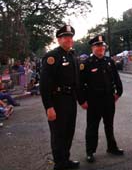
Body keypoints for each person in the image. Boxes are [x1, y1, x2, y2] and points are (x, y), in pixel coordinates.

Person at [40, 25, 82, 170]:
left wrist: (81, 99)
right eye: (65, 37)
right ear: (59, 39)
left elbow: (77, 81)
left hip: (70, 99)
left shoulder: (72, 56)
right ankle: (59, 164)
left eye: (70, 37)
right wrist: (49, 107)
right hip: (57, 101)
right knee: (58, 134)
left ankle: (65, 159)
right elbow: (44, 85)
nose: (69, 39)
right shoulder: (52, 57)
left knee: (69, 132)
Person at [79, 35, 123, 163]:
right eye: (98, 46)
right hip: (94, 101)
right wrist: (82, 101)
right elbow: (80, 84)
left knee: (109, 125)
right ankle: (90, 151)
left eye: (102, 46)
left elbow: (116, 78)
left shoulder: (109, 61)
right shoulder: (86, 64)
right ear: (92, 47)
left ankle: (112, 147)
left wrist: (118, 93)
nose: (101, 48)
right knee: (92, 127)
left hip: (109, 99)